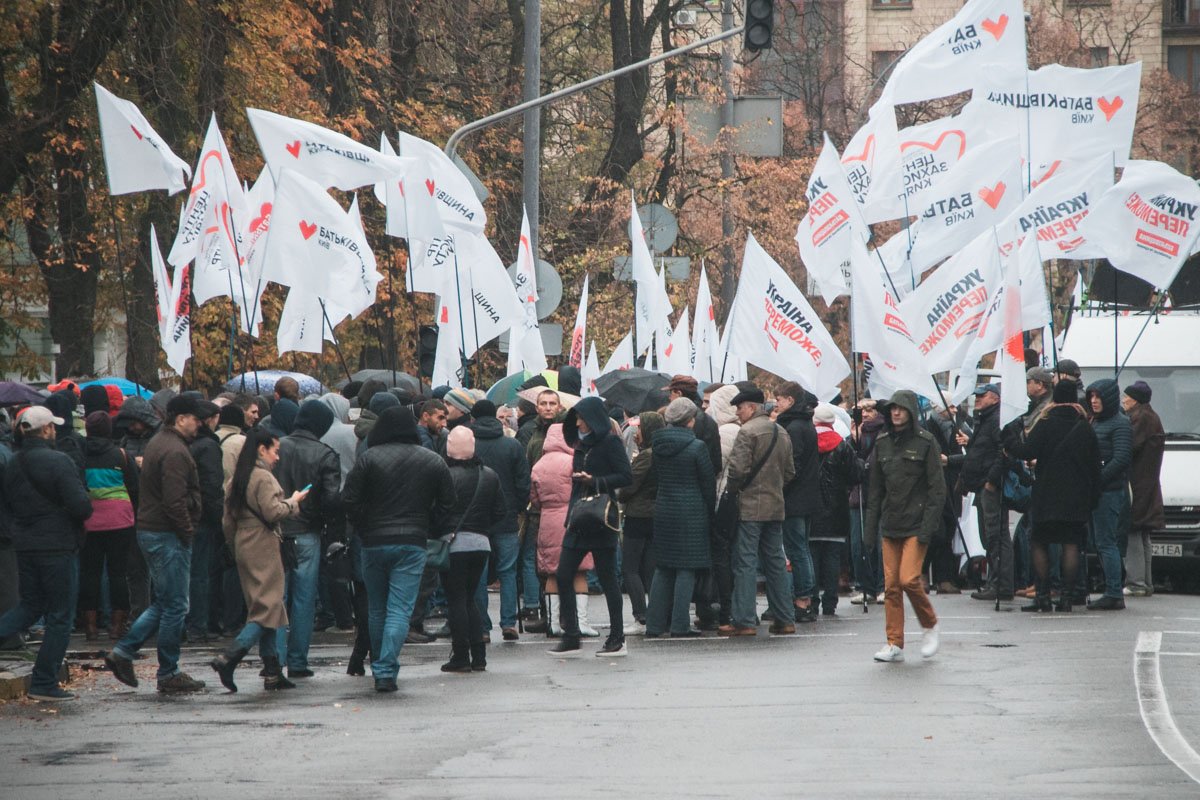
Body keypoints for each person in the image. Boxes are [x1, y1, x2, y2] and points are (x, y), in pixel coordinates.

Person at [343, 406, 455, 692]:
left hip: (374, 542)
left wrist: (364, 527)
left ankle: (380, 664)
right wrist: (430, 526)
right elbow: (447, 504)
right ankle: (385, 668)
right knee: (400, 609)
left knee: (377, 608)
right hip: (413, 542)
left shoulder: (368, 458)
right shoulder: (432, 461)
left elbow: (350, 501)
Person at [104, 394, 206, 693]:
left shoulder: (161, 442)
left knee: (165, 602)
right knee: (176, 605)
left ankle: (124, 654)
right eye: (195, 418)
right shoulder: (174, 450)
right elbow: (174, 501)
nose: (199, 424)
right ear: (180, 418)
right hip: (167, 534)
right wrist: (187, 532)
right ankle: (168, 671)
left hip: (155, 531)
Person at [0, 407, 93, 700]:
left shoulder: (13, 463)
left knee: (30, 605)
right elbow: (81, 507)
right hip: (57, 544)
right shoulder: (59, 461)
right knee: (59, 615)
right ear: (46, 430)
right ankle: (43, 681)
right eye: (53, 426)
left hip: (25, 543)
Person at [210, 428, 308, 692]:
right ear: (261, 450)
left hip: (243, 542)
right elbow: (273, 511)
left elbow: (227, 521)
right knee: (268, 606)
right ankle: (229, 657)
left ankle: (273, 672)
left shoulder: (236, 479)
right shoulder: (263, 478)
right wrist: (294, 501)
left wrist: (234, 546)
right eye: (275, 450)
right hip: (263, 543)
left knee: (265, 605)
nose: (277, 457)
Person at [1004, 380, 1101, 612]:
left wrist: (1008, 438)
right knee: (1071, 544)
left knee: (1039, 542)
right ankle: (1067, 598)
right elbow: (1095, 466)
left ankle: (1043, 596)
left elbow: (1027, 451)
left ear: (1055, 398)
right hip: (1076, 496)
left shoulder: (1046, 423)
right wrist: (1093, 498)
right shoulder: (1085, 427)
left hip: (1047, 494)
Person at [547, 397, 632, 657]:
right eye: (576, 418)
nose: (578, 422)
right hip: (580, 516)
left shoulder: (610, 442)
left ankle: (617, 638)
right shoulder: (581, 444)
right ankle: (571, 634)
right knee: (563, 574)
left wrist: (594, 480)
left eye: (582, 418)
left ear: (594, 418)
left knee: (607, 579)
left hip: (600, 517)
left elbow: (625, 476)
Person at [864, 390, 945, 663]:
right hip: (890, 523)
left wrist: (928, 527)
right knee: (891, 587)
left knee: (908, 579)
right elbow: (875, 491)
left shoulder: (926, 442)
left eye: (901, 408)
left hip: (916, 524)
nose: (896, 413)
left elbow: (937, 489)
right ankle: (894, 642)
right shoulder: (882, 442)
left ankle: (930, 624)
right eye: (892, 409)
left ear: (911, 411)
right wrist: (869, 531)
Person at [272, 399, 343, 677]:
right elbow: (331, 499)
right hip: (308, 533)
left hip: (276, 530)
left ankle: (275, 660)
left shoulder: (276, 447)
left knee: (277, 598)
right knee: (304, 600)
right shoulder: (325, 454)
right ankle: (298, 661)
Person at [720, 385, 796, 637]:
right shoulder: (782, 432)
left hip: (750, 507)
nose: (738, 414)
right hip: (775, 507)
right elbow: (789, 473)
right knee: (775, 562)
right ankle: (785, 618)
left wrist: (733, 491)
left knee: (745, 563)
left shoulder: (747, 432)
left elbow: (738, 470)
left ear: (751, 407)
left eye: (740, 409)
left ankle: (744, 620)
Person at [438, 427, 507, 672]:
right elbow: (500, 511)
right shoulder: (489, 475)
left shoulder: (443, 475)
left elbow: (436, 510)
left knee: (456, 598)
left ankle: (460, 655)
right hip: (481, 542)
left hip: (453, 543)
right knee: (470, 599)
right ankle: (479, 656)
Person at [645, 399, 715, 637]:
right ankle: (679, 624)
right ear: (690, 420)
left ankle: (654, 624)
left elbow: (655, 476)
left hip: (664, 508)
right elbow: (707, 485)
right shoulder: (697, 447)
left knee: (663, 567)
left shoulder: (657, 444)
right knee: (686, 568)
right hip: (692, 512)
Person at [469, 400, 531, 641]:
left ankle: (483, 627)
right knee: (507, 571)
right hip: (506, 516)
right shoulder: (511, 445)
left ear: (473, 418)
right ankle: (509, 622)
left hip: (475, 519)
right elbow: (523, 482)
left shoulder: (468, 444)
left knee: (479, 573)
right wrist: (517, 507)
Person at [79, 411, 139, 641]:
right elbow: (133, 486)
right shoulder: (121, 455)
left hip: (89, 520)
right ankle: (116, 627)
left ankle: (91, 628)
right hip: (119, 520)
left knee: (90, 573)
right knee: (118, 573)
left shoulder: (80, 455)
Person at [530, 423, 593, 637]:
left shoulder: (538, 465)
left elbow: (535, 499)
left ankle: (553, 623)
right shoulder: (574, 461)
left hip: (548, 520)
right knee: (580, 571)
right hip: (574, 518)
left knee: (552, 572)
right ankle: (581, 622)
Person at [957, 384, 1012, 602]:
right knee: (989, 536)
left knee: (996, 536)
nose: (977, 399)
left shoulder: (997, 420)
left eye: (982, 395)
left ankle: (1002, 584)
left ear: (996, 398)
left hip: (990, 486)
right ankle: (994, 581)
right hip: (981, 484)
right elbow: (982, 450)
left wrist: (991, 480)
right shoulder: (985, 419)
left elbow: (1003, 451)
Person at [808, 404, 862, 617]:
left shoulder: (806, 441)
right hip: (836, 508)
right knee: (832, 558)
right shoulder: (842, 445)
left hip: (811, 507)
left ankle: (811, 601)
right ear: (832, 423)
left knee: (810, 558)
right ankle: (829, 602)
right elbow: (856, 475)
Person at [774, 382, 820, 623]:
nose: (776, 403)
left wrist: (780, 486)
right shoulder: (804, 423)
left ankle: (802, 599)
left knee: (796, 549)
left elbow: (793, 464)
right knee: (801, 548)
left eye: (779, 399)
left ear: (790, 400)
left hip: (794, 498)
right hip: (805, 496)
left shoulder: (794, 427)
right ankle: (806, 598)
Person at [1085, 379, 1132, 610]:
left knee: (1106, 542)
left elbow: (1121, 458)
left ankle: (1114, 591)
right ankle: (1111, 587)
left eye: (1098, 397)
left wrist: (1097, 479)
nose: (1094, 401)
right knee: (1099, 542)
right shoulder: (1095, 422)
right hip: (1097, 490)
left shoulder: (1120, 423)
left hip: (1109, 491)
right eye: (1091, 397)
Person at [617, 412, 664, 634]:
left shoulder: (646, 456)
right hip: (657, 515)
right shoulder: (663, 452)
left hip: (638, 515)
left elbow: (628, 487)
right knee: (651, 567)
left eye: (639, 428)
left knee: (630, 568)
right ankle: (655, 613)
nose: (636, 432)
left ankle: (641, 615)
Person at [1012, 367, 1056, 598]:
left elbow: (1033, 436)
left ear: (1040, 384)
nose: (1027, 387)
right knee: (1028, 531)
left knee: (1036, 533)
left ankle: (1044, 583)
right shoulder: (1037, 407)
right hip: (1035, 472)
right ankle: (1036, 580)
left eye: (1029, 382)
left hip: (1042, 474)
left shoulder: (1047, 408)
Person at [185, 399, 223, 644]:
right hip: (203, 518)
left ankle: (190, 623)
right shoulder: (208, 447)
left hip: (186, 515)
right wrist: (218, 517)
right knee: (201, 574)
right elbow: (212, 485)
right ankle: (198, 625)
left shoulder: (188, 444)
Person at [1122, 381, 1164, 598]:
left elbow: (1128, 446)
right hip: (1148, 483)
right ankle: (1146, 582)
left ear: (1135, 399)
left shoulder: (1140, 418)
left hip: (1137, 483)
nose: (1123, 400)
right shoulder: (1151, 416)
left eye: (1126, 397)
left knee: (1134, 531)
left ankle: (1136, 582)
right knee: (1144, 535)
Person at [849, 399, 886, 605]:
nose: (864, 414)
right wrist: (853, 441)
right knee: (859, 544)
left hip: (880, 496)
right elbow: (849, 463)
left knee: (881, 544)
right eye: (860, 410)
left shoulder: (885, 431)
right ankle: (865, 586)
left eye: (869, 410)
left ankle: (883, 585)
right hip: (858, 496)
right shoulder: (857, 433)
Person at [525, 389, 563, 466]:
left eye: (552, 404)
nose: (548, 408)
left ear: (559, 407)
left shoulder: (567, 431)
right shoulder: (534, 432)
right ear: (537, 408)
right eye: (543, 404)